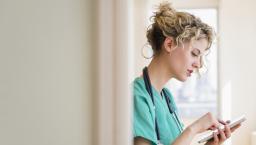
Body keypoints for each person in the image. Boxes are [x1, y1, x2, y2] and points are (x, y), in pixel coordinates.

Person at [133, 2, 241, 145]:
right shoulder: (136, 97)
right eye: (194, 53)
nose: (199, 64)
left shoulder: (167, 98)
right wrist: (194, 129)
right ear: (169, 44)